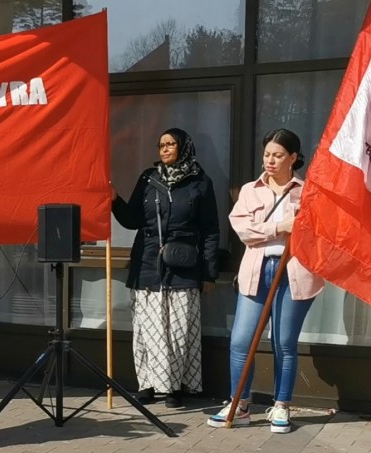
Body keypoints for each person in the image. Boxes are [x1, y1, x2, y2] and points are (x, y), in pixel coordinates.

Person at [207, 128, 324, 433]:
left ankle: (281, 405)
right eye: (267, 154)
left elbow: (318, 235)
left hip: (293, 273)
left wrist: (298, 227)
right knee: (241, 340)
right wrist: (280, 227)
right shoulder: (250, 190)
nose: (270, 160)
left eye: (278, 155)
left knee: (284, 342)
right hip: (257, 271)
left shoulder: (308, 192)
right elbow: (243, 230)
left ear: (293, 158)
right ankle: (240, 403)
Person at [112, 128, 220, 408]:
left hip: (183, 265)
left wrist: (209, 273)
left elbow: (210, 230)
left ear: (184, 147)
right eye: (161, 145)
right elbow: (132, 220)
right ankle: (148, 384)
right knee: (148, 330)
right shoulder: (149, 179)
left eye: (171, 144)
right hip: (147, 264)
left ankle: (175, 388)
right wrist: (114, 199)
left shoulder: (200, 182)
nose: (165, 149)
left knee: (178, 330)